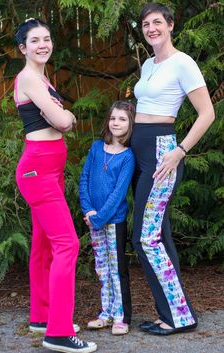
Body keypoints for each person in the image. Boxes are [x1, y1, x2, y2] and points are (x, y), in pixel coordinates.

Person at [131, 3, 215, 336]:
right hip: (140, 151)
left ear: (170, 25)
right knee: (159, 237)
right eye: (145, 24)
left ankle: (178, 316)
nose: (150, 28)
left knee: (146, 239)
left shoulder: (183, 63)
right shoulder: (149, 64)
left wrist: (179, 152)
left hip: (161, 154)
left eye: (157, 22)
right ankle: (175, 312)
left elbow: (207, 113)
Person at [14, 18, 97, 353]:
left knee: (46, 244)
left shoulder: (40, 77)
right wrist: (65, 118)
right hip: (38, 170)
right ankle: (59, 333)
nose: (43, 45)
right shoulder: (29, 77)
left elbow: (58, 118)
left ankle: (42, 316)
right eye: (35, 41)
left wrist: (60, 117)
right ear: (23, 48)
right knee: (67, 245)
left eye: (47, 39)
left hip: (48, 167)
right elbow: (63, 120)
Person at [79, 101, 135, 335]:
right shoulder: (96, 148)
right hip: (93, 218)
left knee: (116, 268)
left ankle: (122, 316)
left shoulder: (127, 157)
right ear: (108, 121)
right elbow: (84, 179)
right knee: (102, 268)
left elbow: (118, 193)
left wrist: (99, 217)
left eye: (122, 119)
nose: (116, 123)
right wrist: (88, 211)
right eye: (113, 118)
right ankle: (106, 313)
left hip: (113, 220)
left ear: (130, 124)